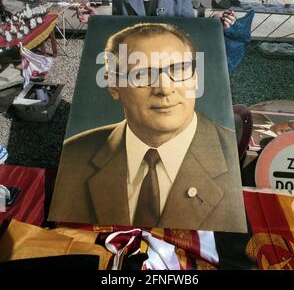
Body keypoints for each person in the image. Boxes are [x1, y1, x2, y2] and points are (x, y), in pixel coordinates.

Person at [49, 22, 246, 232]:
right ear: (113, 86)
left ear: (195, 79)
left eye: (178, 70)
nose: (164, 88)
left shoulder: (229, 153)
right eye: (142, 74)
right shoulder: (74, 156)